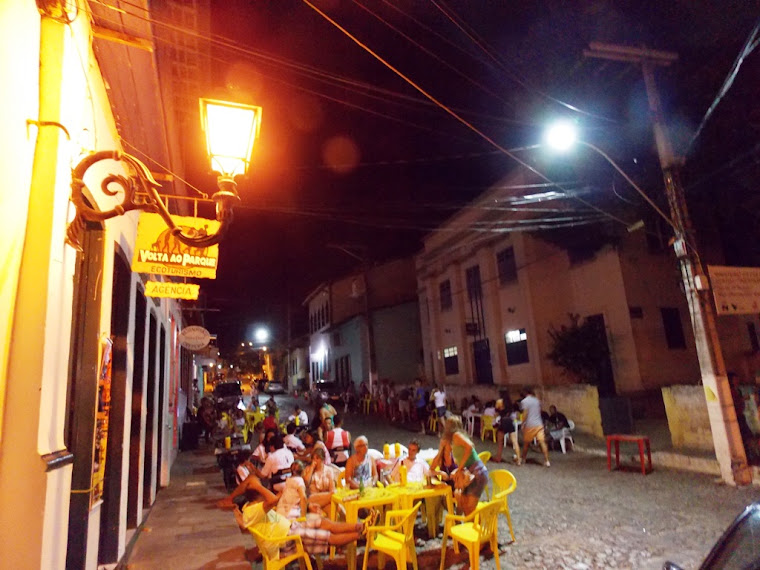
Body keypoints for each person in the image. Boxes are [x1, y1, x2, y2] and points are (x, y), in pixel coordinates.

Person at [229, 474, 377, 559]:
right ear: (258, 495)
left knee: (325, 523)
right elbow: (273, 500)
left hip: (290, 528)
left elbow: (244, 524)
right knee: (328, 536)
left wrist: (235, 509)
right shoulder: (255, 509)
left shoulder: (250, 508)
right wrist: (257, 485)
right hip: (285, 539)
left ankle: (361, 526)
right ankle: (362, 534)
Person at [442, 415, 487, 515]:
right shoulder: (455, 438)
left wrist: (460, 468)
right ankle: (467, 526)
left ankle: (478, 529)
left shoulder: (456, 435)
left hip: (477, 472)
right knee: (465, 507)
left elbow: (470, 446)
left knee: (469, 510)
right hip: (473, 471)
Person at [520, 387, 551, 467]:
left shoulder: (524, 401)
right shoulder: (537, 401)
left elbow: (525, 414)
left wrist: (523, 423)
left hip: (530, 425)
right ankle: (547, 461)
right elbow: (540, 411)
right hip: (539, 424)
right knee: (542, 442)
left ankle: (523, 458)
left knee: (526, 443)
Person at [302, 448, 335, 514]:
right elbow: (305, 483)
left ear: (322, 459)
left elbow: (332, 489)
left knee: (333, 509)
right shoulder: (308, 469)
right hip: (312, 497)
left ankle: (350, 522)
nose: (315, 461)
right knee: (333, 496)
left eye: (317, 458)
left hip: (325, 498)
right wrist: (312, 468)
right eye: (313, 459)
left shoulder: (329, 470)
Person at [494, 398, 521, 465]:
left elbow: (496, 413)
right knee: (515, 441)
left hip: (503, 421)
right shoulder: (509, 404)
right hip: (509, 421)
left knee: (500, 442)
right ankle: (519, 460)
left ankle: (498, 458)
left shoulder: (499, 402)